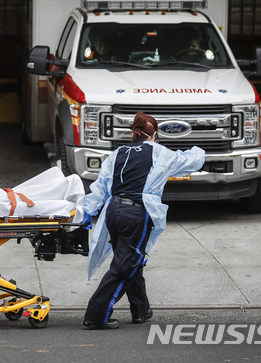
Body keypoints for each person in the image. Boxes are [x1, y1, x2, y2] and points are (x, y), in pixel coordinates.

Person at [82, 112, 205, 330]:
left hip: (113, 212)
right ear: (154, 134)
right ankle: (96, 315)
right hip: (136, 214)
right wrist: (199, 148)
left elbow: (100, 187)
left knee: (131, 259)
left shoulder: (117, 153)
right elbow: (191, 161)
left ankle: (141, 311)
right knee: (125, 263)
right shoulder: (159, 153)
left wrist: (86, 211)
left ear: (134, 133)